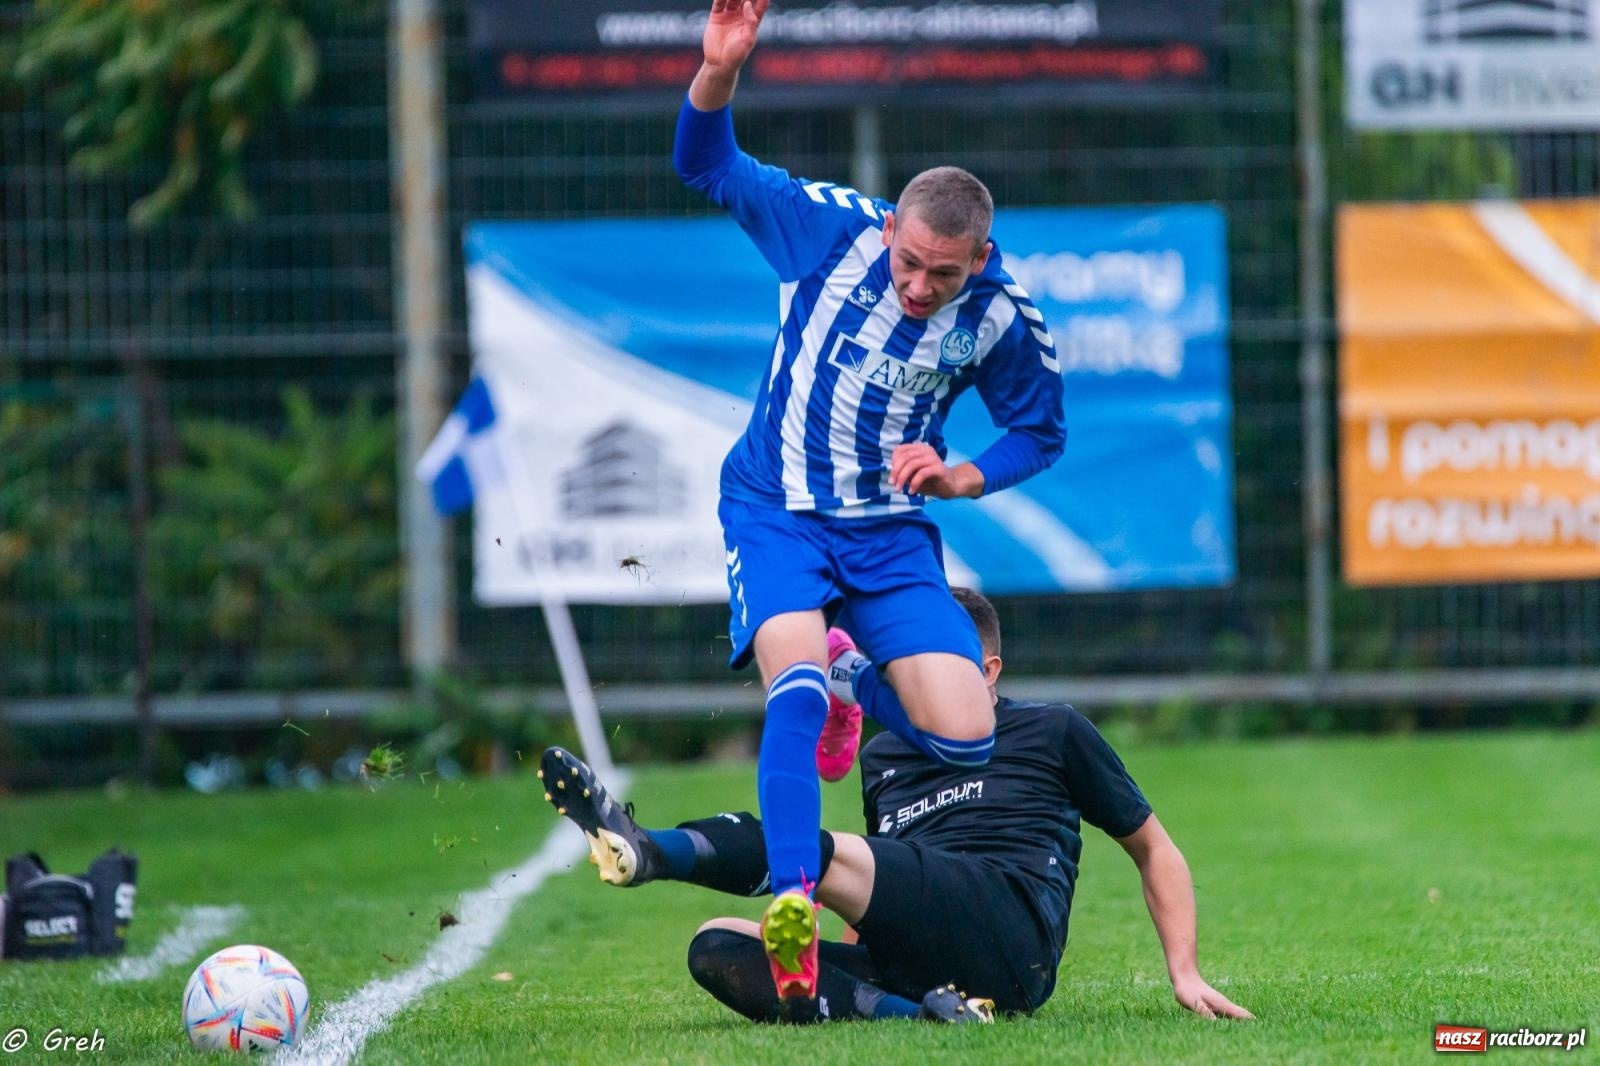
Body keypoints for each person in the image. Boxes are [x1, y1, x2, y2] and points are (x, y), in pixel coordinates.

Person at [675, 0, 1068, 999]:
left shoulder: (1000, 314)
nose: (919, 287)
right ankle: (797, 906)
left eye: (942, 273)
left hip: (887, 532)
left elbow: (1039, 431)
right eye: (908, 262)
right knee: (792, 687)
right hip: (777, 509)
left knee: (964, 732)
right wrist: (719, 68)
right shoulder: (829, 232)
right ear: (888, 227)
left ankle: (856, 681)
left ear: (977, 259)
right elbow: (706, 164)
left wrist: (963, 473)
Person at [540, 588, 1253, 1026]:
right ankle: (932, 1016)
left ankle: (650, 850)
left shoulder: (1052, 729)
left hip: (1010, 934)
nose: (919, 676)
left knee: (820, 847)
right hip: (924, 954)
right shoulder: (885, 757)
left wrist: (1184, 973)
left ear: (988, 671)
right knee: (717, 944)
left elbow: (1153, 847)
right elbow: (883, 889)